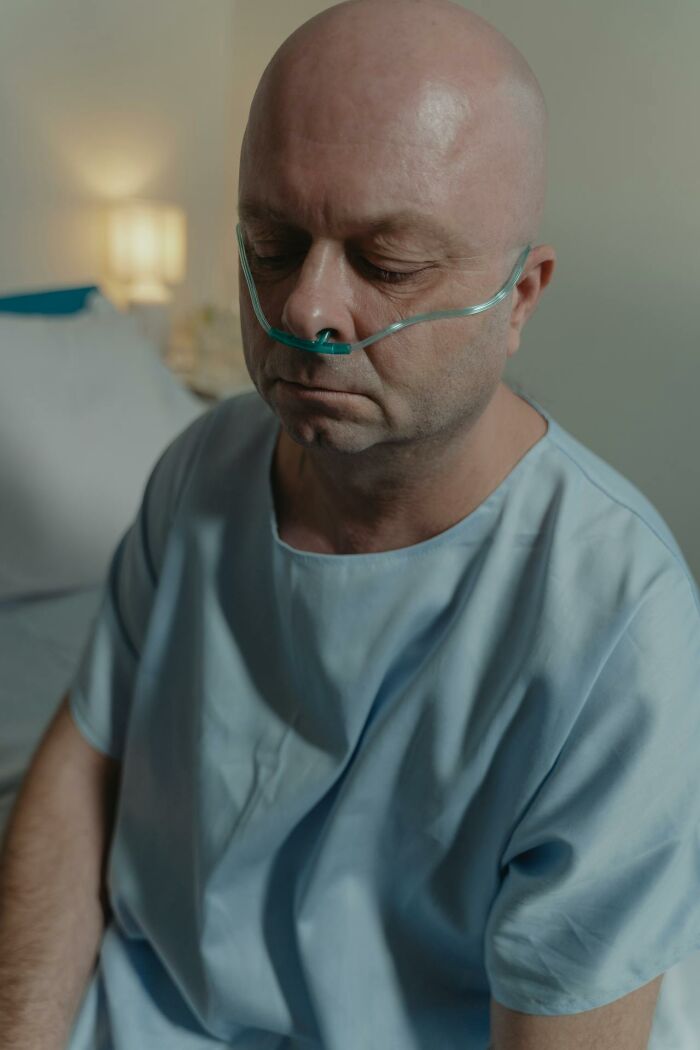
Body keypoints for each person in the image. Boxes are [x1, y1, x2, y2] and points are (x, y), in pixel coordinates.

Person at [1, 1, 699, 1048]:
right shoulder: (201, 468)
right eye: (273, 244)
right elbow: (81, 770)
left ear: (521, 297)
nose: (305, 311)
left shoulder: (615, 622)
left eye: (387, 264)